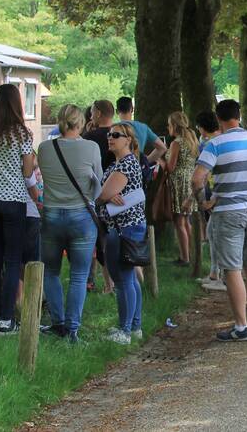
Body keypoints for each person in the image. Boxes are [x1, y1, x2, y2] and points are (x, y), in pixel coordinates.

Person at [191, 100, 247, 342]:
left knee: (232, 268)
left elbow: (197, 178)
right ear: (240, 115)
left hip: (229, 211)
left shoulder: (214, 145)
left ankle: (241, 326)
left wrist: (203, 201)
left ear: (218, 118)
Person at [0, 83, 40, 335]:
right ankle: (7, 319)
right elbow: (27, 171)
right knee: (12, 261)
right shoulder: (21, 133)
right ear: (16, 103)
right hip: (13, 201)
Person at [37, 104, 102, 342]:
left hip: (52, 215)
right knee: (79, 274)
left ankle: (58, 323)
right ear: (81, 123)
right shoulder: (91, 148)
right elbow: (99, 179)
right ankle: (72, 330)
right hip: (82, 217)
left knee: (51, 271)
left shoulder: (44, 148)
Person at [96, 122, 148, 344]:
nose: (110, 138)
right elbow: (106, 192)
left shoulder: (126, 164)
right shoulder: (118, 164)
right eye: (109, 134)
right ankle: (134, 326)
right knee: (127, 278)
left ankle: (125, 330)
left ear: (128, 140)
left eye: (116, 135)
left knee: (124, 278)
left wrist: (104, 195)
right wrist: (106, 195)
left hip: (124, 227)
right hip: (123, 227)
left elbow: (101, 193)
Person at [193, 111, 225, 291]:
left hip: (217, 192)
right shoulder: (222, 140)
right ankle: (215, 272)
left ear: (202, 128)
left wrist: (201, 199)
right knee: (212, 231)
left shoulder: (210, 145)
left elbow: (200, 176)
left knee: (216, 233)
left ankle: (221, 274)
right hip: (218, 191)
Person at [165, 112, 199, 266]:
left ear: (174, 126)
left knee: (179, 222)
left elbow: (171, 167)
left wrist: (160, 160)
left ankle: (184, 257)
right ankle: (192, 253)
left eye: (169, 125)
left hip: (178, 183)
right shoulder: (192, 140)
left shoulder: (176, 143)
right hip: (189, 181)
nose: (168, 128)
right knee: (186, 221)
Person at [115, 96, 167, 163]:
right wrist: (145, 162)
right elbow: (162, 148)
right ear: (132, 109)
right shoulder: (143, 127)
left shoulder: (113, 129)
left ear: (117, 111)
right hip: (138, 169)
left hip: (118, 170)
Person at [83, 99, 116, 170]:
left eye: (92, 114)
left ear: (98, 113)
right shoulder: (121, 134)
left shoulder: (90, 136)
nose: (91, 118)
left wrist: (87, 133)